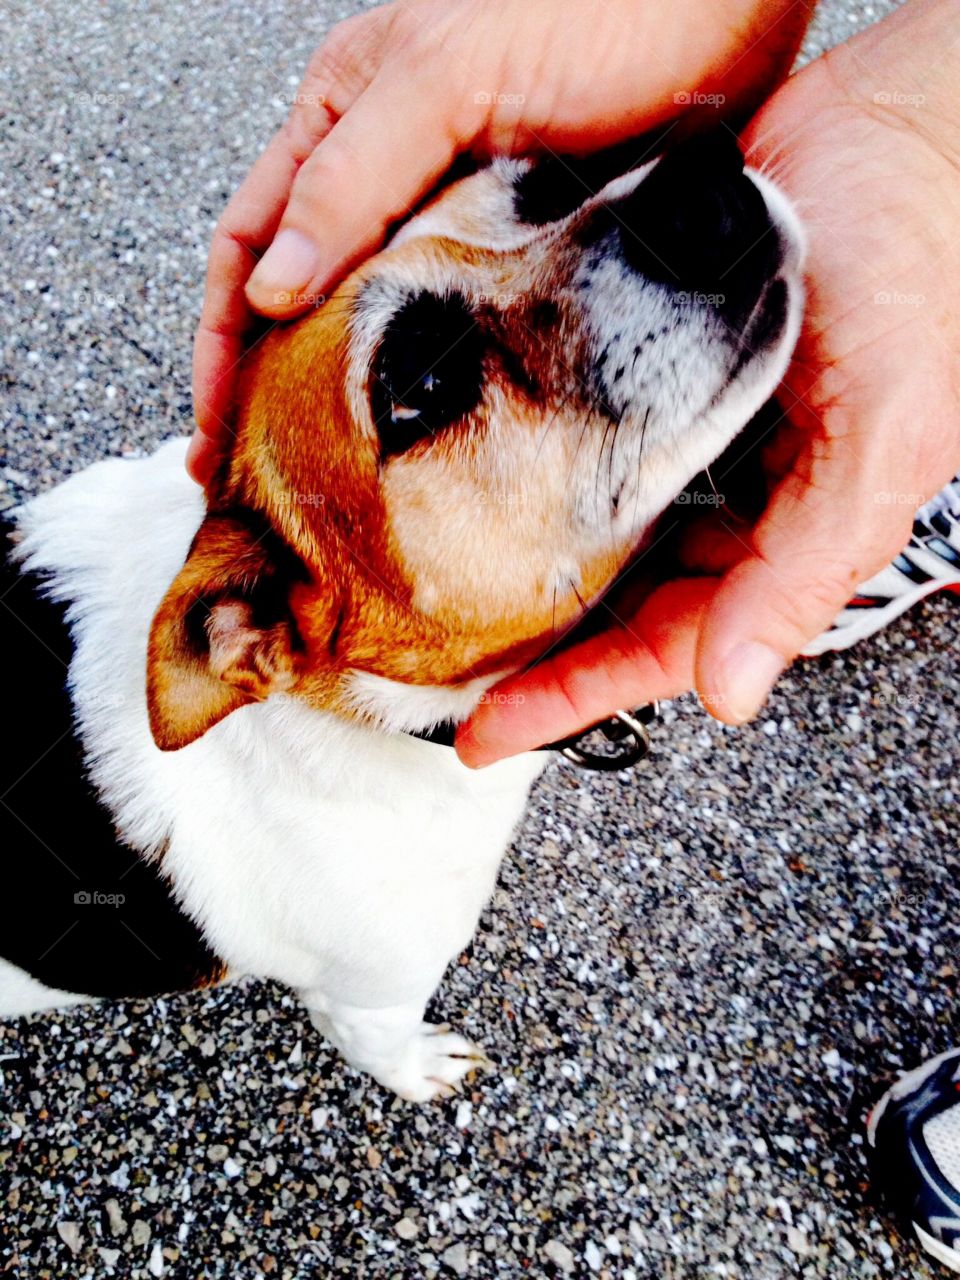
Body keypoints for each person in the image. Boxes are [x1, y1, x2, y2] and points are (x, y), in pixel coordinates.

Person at [187, 0, 960, 1268]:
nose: (663, 201)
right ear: (270, 635)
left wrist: (930, 138)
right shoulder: (363, 874)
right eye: (424, 378)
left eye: (546, 187)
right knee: (377, 984)